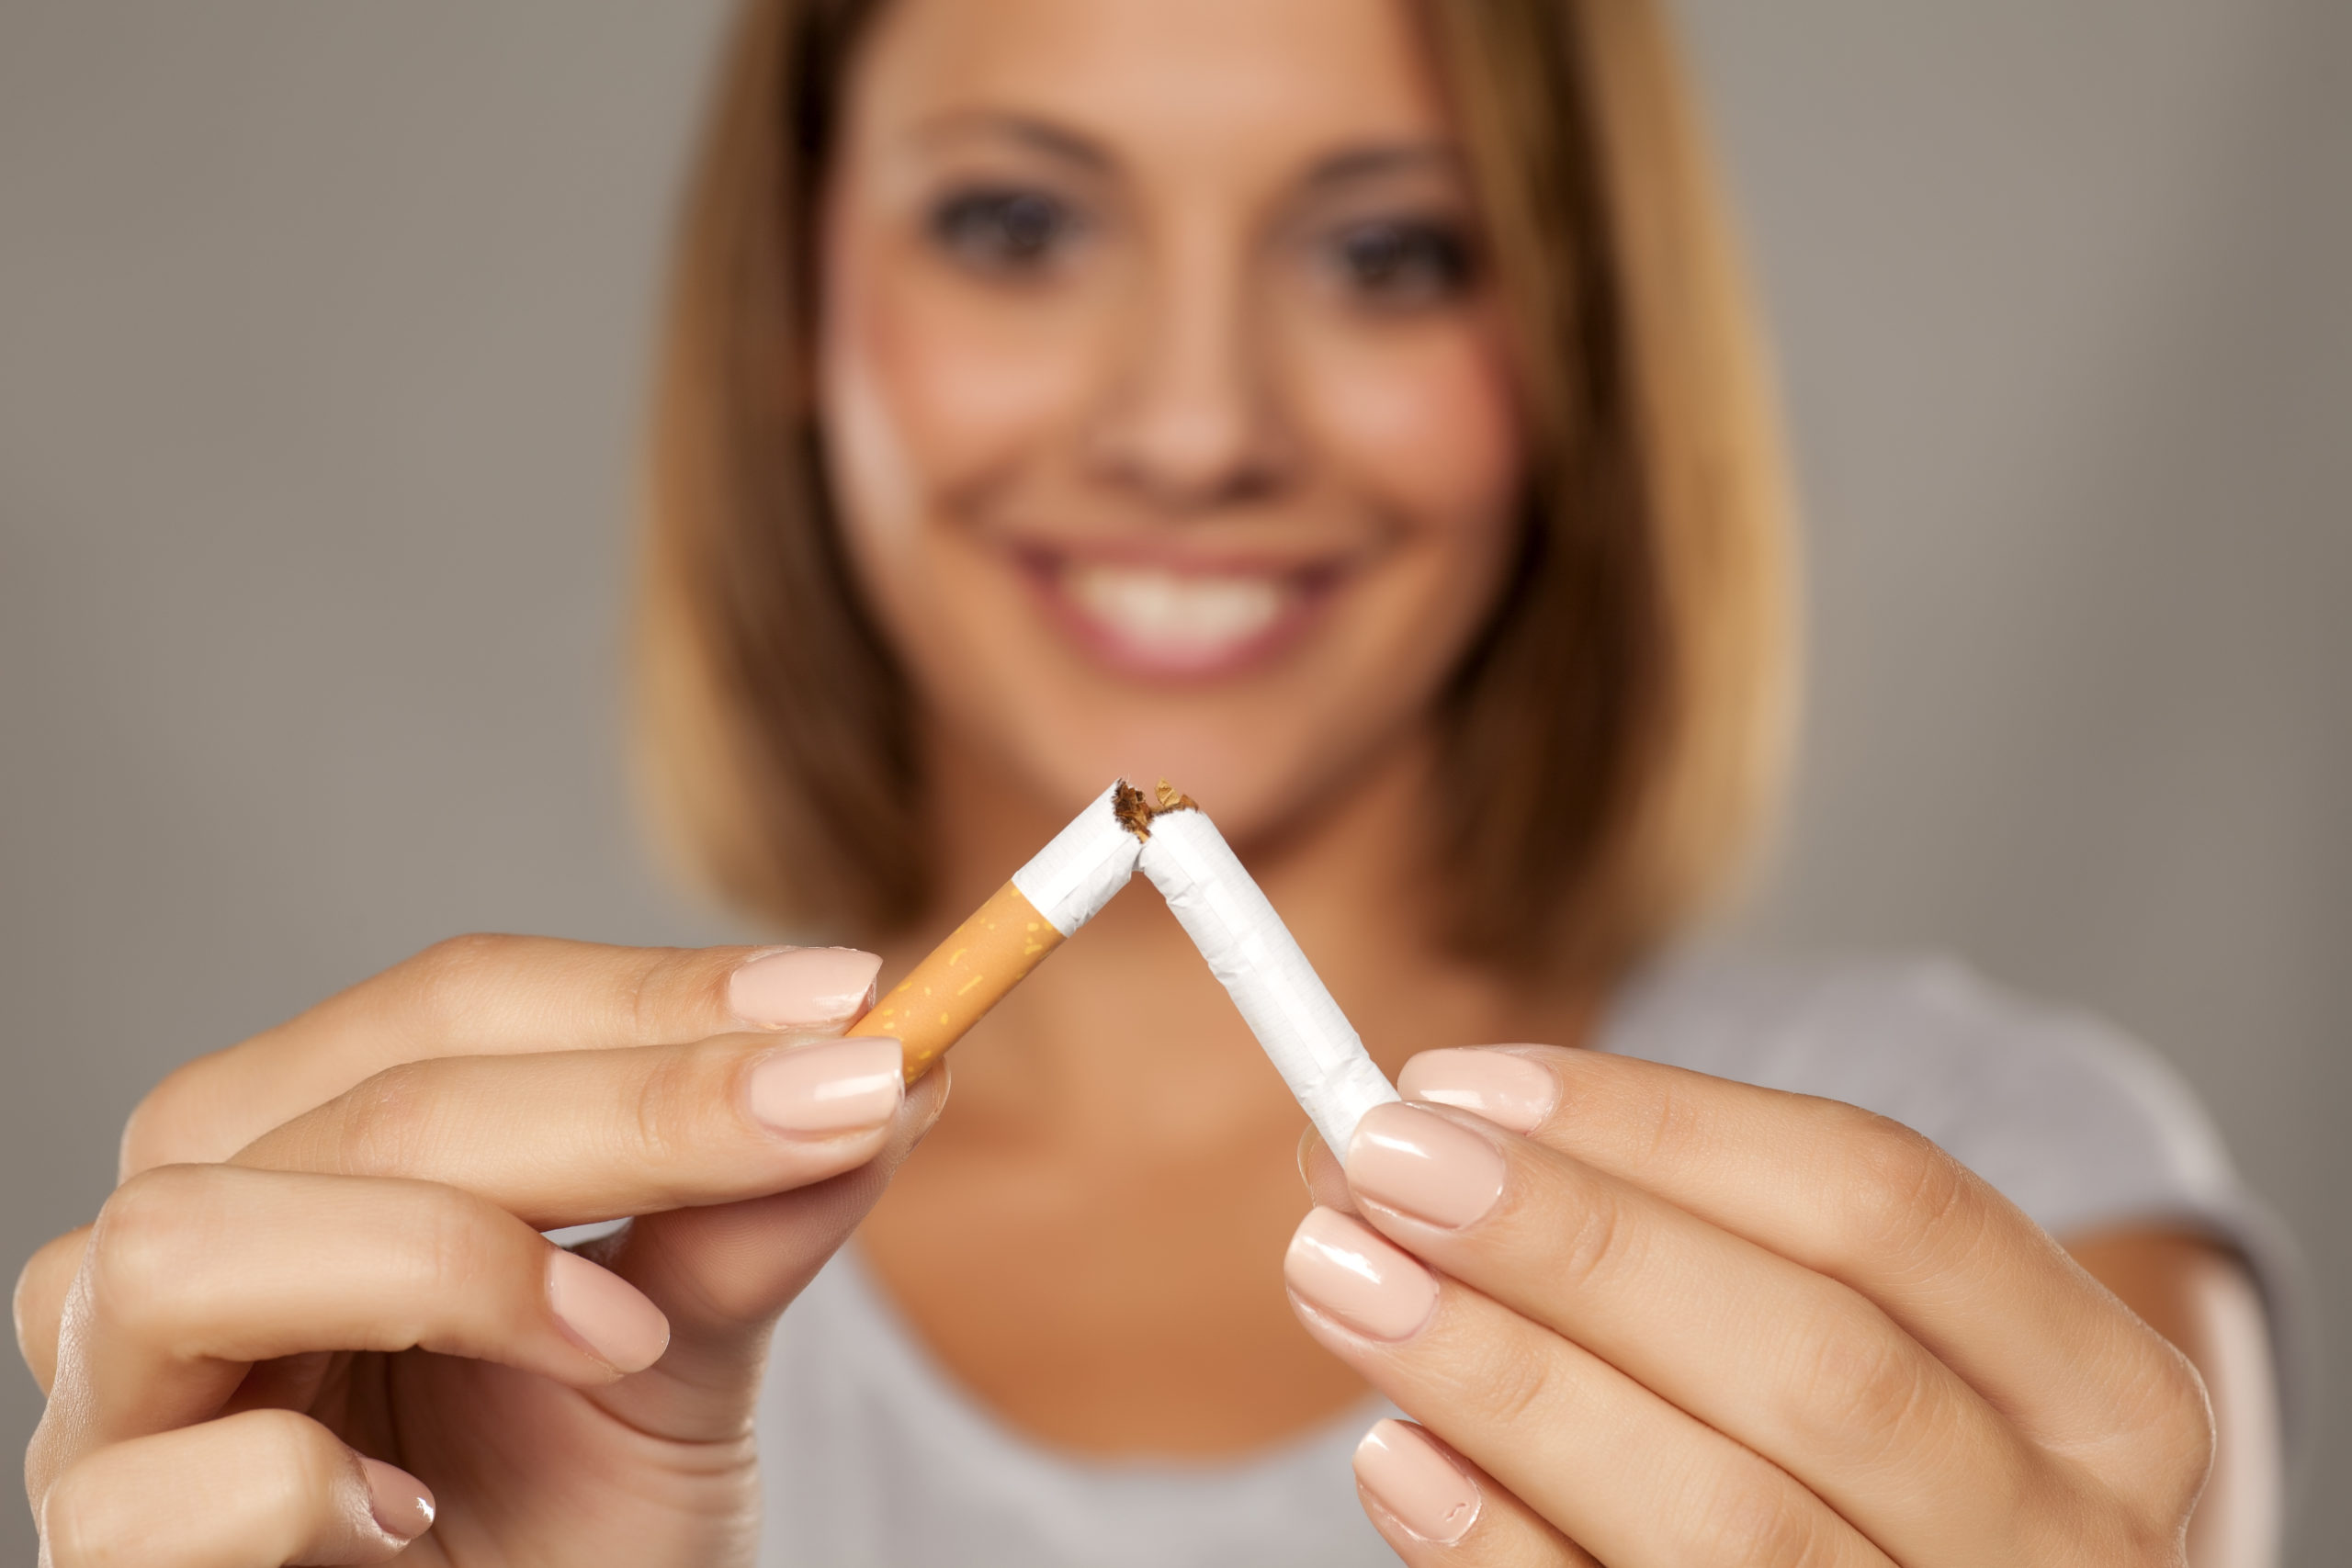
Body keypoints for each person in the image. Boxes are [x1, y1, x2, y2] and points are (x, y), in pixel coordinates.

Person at [14, 0, 2290, 1563]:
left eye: (1387, 252)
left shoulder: (2007, 1217)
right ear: (801, 298)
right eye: (1016, 223)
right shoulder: (481, 1318)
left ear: (1570, 346)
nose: (1196, 422)